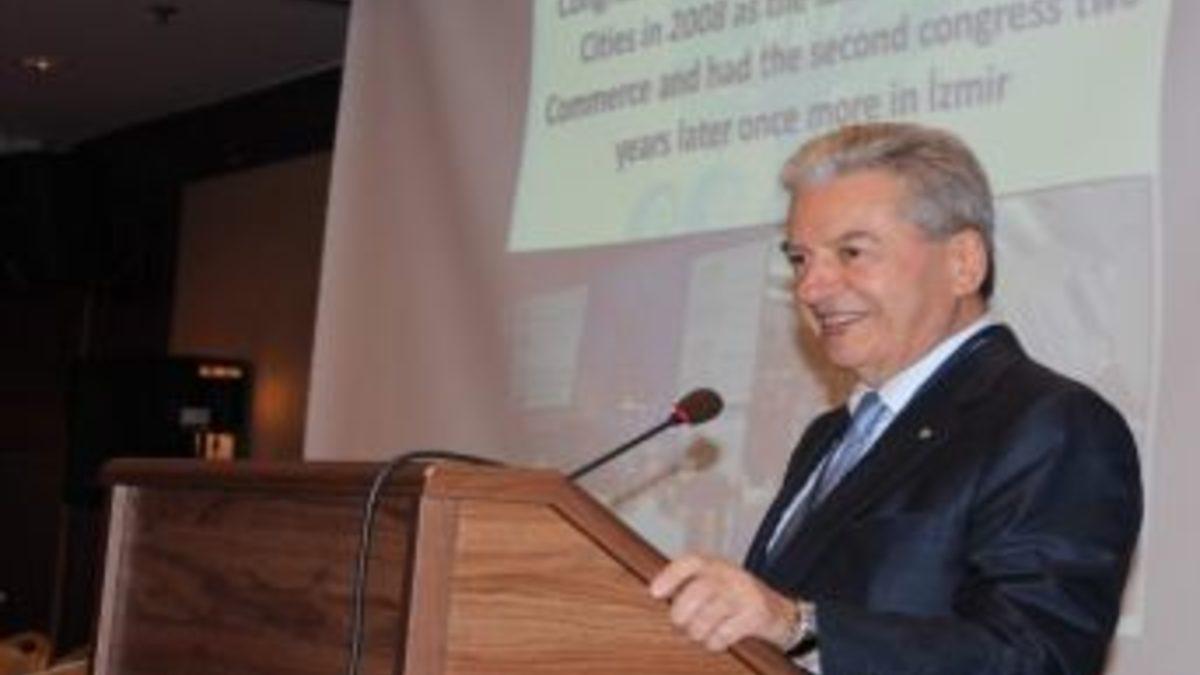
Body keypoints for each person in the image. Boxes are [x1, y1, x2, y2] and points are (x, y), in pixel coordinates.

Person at [649, 123, 1142, 675]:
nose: (810, 288)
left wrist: (800, 628)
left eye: (851, 252)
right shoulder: (828, 436)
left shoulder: (1052, 423)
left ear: (963, 262)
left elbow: (1038, 658)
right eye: (800, 259)